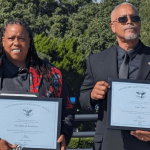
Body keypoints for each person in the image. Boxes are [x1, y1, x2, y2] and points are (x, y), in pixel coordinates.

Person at [79, 2, 150, 150]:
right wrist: (92, 95)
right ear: (112, 27)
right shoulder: (95, 60)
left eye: (134, 18)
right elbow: (82, 100)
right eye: (123, 19)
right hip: (108, 143)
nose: (130, 22)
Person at [0, 18, 74, 150]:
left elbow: (67, 109)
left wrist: (65, 133)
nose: (16, 43)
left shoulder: (51, 73)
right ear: (3, 41)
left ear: (29, 41)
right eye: (11, 38)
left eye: (21, 38)